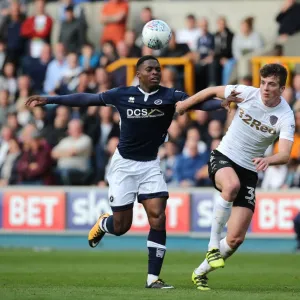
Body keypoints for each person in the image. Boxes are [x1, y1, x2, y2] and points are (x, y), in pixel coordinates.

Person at [25, 55, 230, 289]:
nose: (155, 73)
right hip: (124, 166)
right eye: (150, 69)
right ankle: (104, 224)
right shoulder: (122, 94)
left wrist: (221, 103)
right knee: (122, 227)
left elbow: (198, 103)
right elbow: (86, 99)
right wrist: (50, 99)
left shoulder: (170, 96)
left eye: (158, 69)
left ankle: (153, 278)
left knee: (158, 216)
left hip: (150, 165)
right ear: (139, 73)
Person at [176, 63, 295, 290]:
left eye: (272, 85)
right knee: (231, 186)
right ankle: (212, 246)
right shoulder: (248, 93)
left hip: (249, 170)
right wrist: (184, 106)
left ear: (281, 88)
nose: (265, 89)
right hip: (224, 157)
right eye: (263, 83)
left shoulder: (285, 115)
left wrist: (268, 160)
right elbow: (211, 91)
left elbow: (285, 154)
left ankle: (200, 272)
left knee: (235, 239)